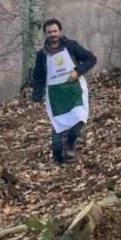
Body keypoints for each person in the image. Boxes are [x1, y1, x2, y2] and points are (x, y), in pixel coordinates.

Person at [29, 19, 97, 164]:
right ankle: (58, 161)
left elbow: (91, 59)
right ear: (45, 34)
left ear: (60, 31)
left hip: (75, 91)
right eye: (49, 32)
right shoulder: (41, 54)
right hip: (55, 96)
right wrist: (36, 96)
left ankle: (72, 142)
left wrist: (78, 71)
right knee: (58, 128)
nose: (53, 34)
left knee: (78, 121)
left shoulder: (72, 46)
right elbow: (38, 77)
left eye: (55, 31)